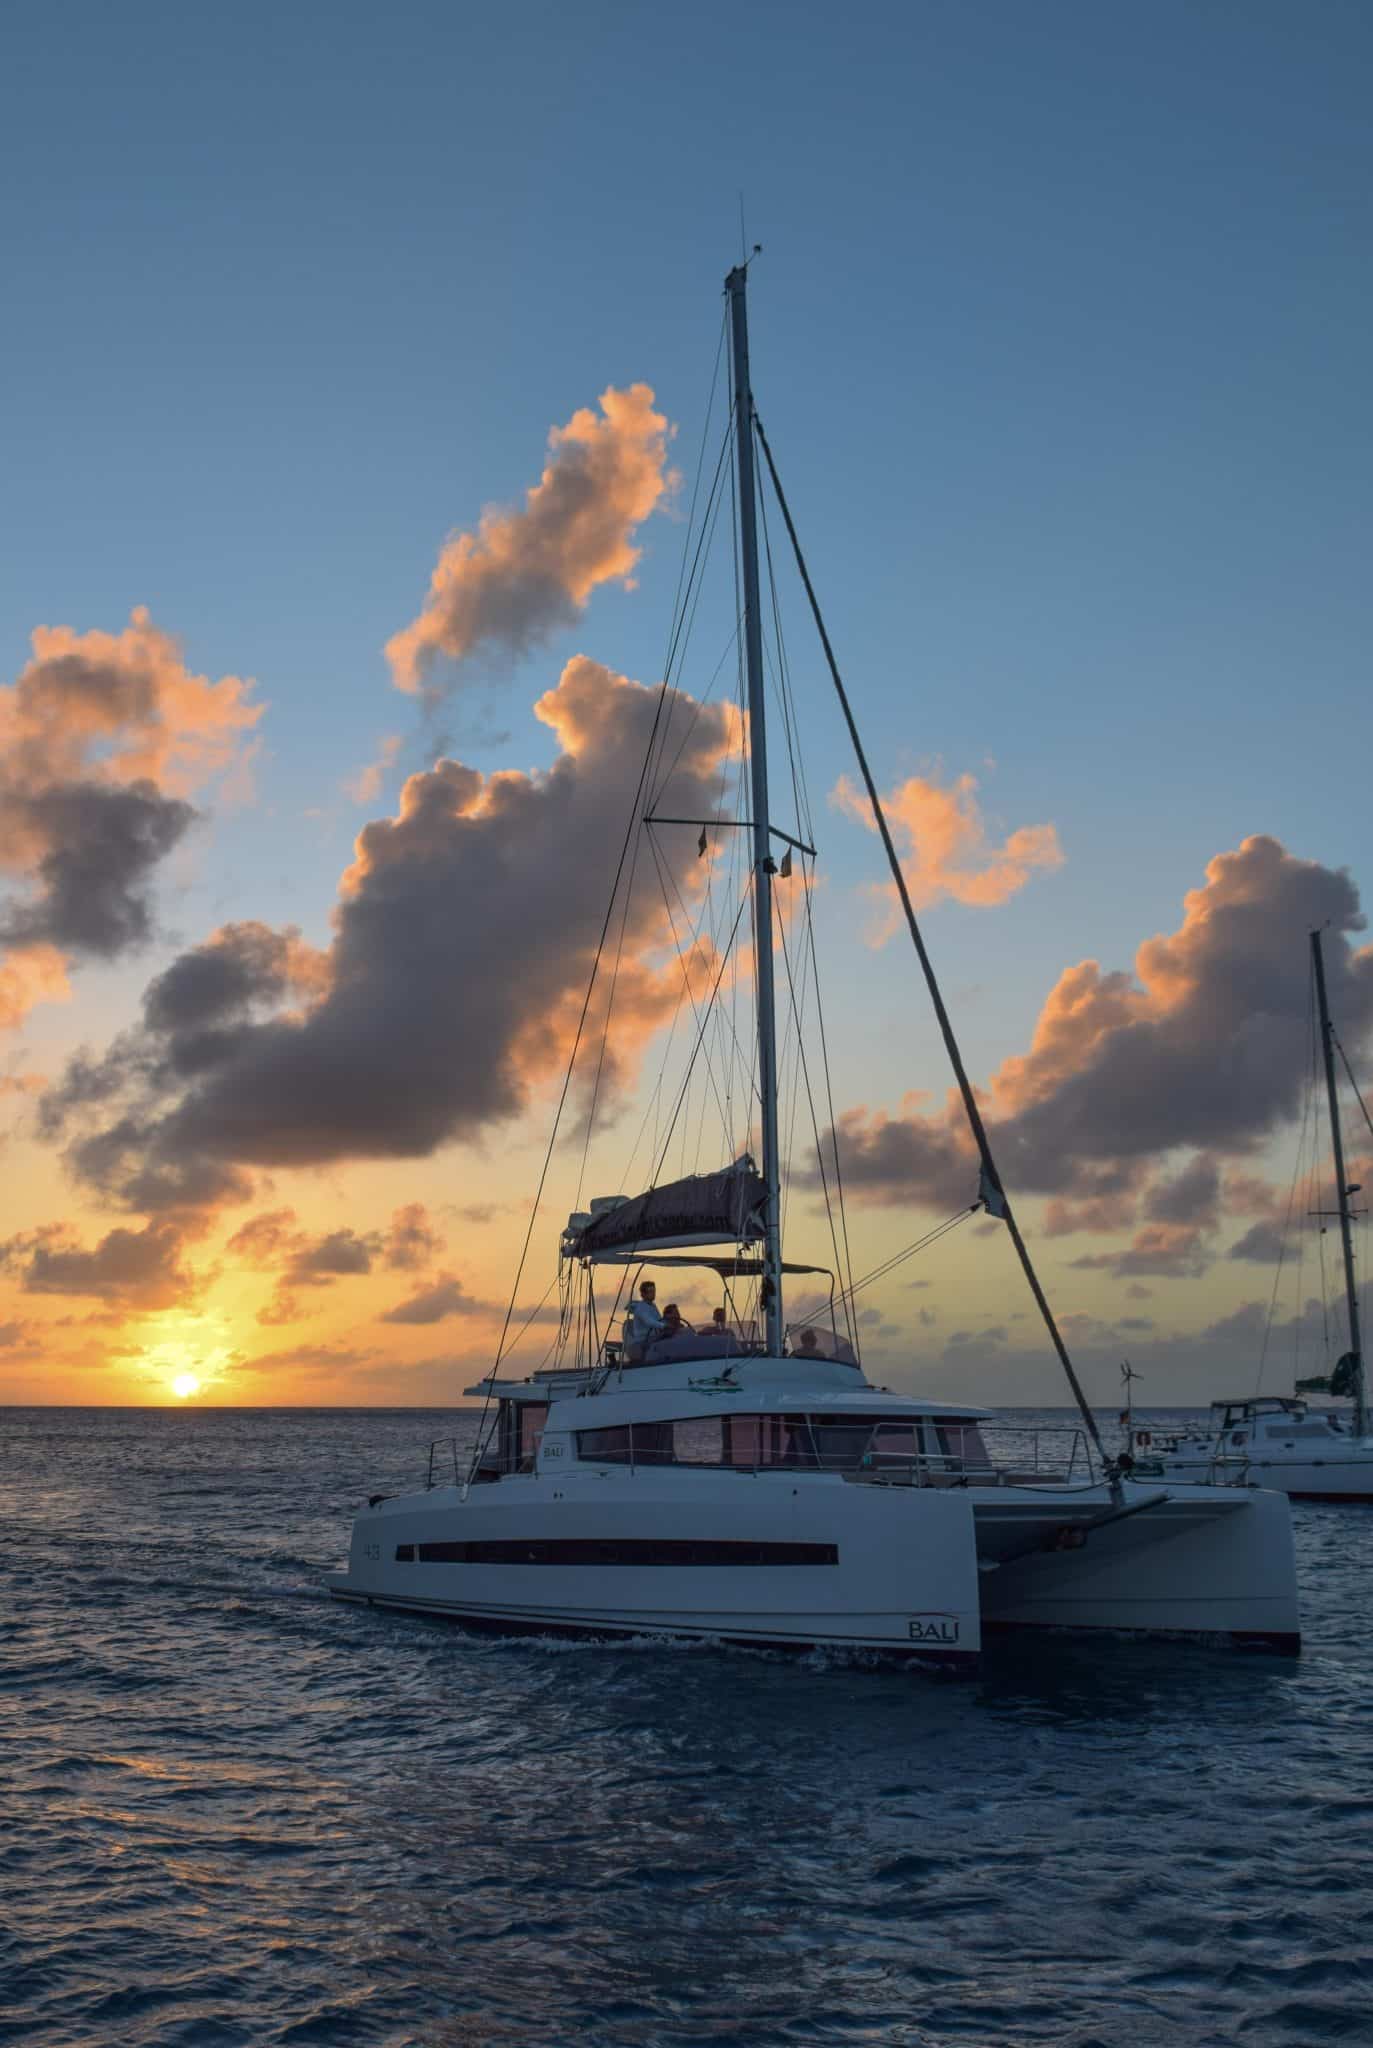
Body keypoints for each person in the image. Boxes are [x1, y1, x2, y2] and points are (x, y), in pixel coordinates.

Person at [623, 1279, 663, 1361]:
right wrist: (664, 1326)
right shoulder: (640, 1308)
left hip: (653, 1338)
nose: (653, 1293)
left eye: (654, 1290)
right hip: (643, 1341)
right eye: (650, 1291)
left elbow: (659, 1319)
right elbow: (649, 1321)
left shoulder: (652, 1306)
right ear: (643, 1294)